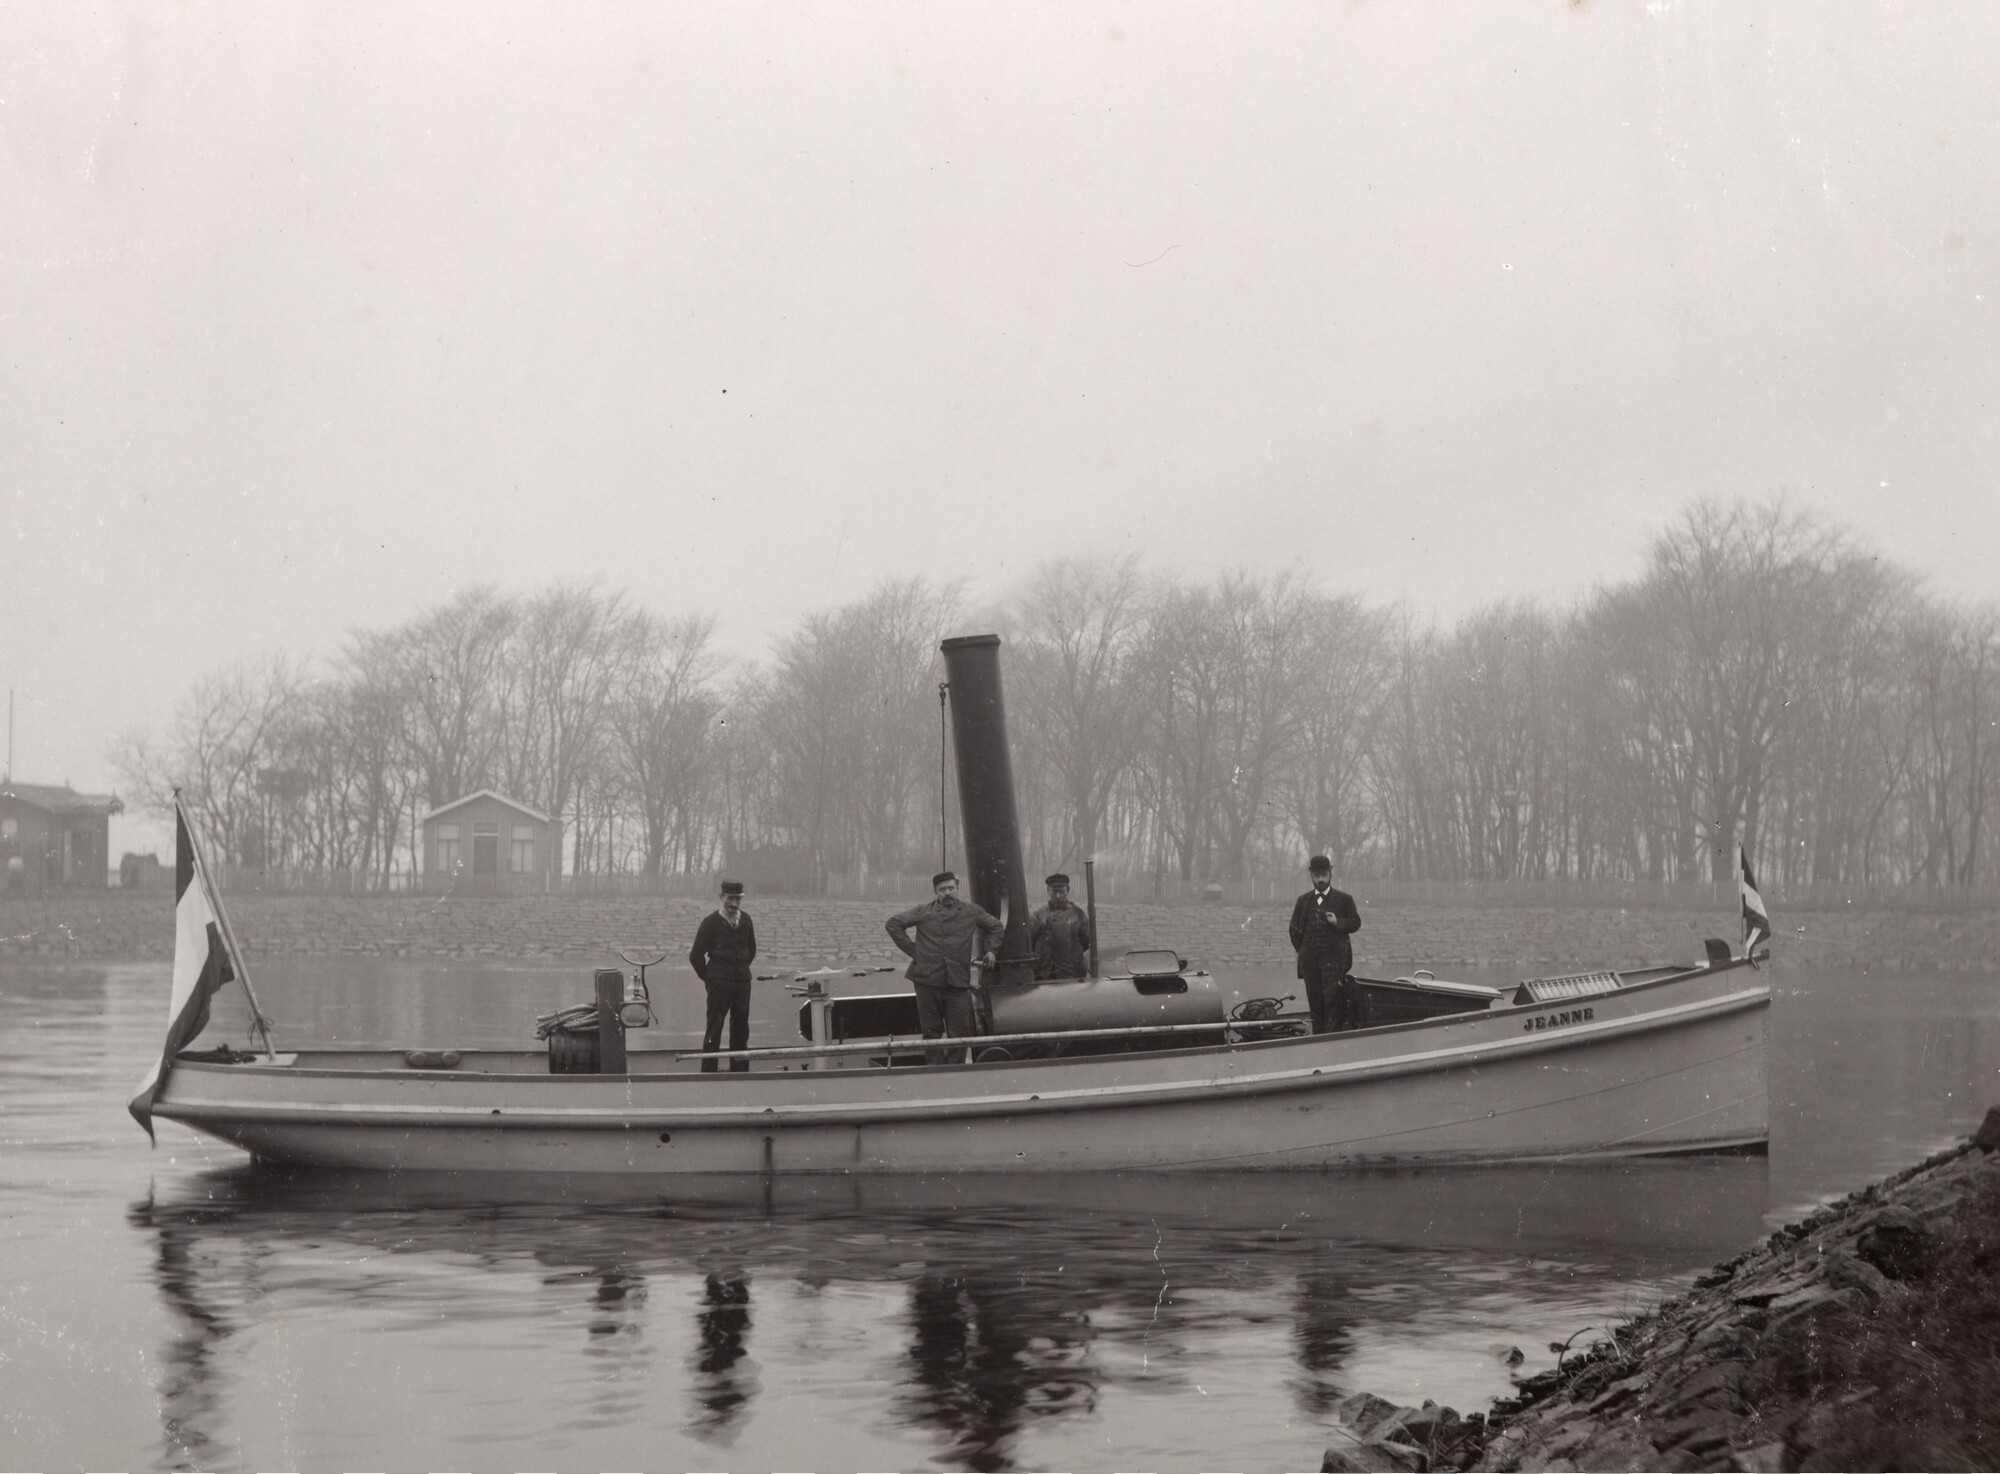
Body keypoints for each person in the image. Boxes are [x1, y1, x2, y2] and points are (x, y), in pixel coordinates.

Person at [885, 871, 1006, 1060]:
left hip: (957, 984)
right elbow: (893, 924)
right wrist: (914, 951)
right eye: (942, 890)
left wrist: (991, 951)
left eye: (951, 888)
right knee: (931, 1033)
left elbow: (996, 927)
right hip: (926, 982)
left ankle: (954, 1072)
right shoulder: (923, 911)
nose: (947, 893)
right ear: (936, 892)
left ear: (958, 889)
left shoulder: (971, 911)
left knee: (960, 1034)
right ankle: (935, 1074)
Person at [688, 880, 758, 1073]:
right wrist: (710, 977)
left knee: (741, 1028)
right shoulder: (710, 922)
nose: (734, 903)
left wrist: (740, 970)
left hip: (743, 982)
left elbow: (751, 950)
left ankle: (740, 1070)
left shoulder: (746, 920)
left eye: (738, 899)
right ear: (721, 898)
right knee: (714, 1027)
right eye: (730, 898)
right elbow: (695, 956)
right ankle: (709, 1072)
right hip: (719, 983)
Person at [1288, 854, 1362, 1034]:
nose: (1321, 879)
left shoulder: (1344, 899)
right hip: (1310, 962)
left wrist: (1338, 922)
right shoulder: (1303, 900)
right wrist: (1304, 951)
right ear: (1311, 876)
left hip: (1334, 962)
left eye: (1324, 875)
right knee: (1315, 1001)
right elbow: (1293, 929)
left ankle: (1332, 1043)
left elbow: (1355, 923)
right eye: (1317, 876)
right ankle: (1318, 1040)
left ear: (1330, 875)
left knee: (1333, 1002)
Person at [1028, 872, 1094, 979]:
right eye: (1054, 891)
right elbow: (1029, 942)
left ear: (1068, 891)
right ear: (1048, 891)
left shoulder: (1078, 915)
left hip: (1071, 972)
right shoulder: (1038, 915)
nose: (1058, 895)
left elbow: (1086, 940)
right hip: (1044, 973)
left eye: (1062, 891)